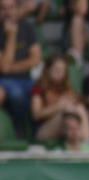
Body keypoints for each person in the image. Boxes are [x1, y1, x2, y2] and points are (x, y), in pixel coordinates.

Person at [0, 0, 41, 134]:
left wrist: (10, 68)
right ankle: (19, 125)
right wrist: (11, 36)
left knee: (42, 91)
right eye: (3, 8)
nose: (7, 12)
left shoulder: (28, 27)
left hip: (27, 79)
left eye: (11, 8)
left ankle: (37, 129)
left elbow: (35, 59)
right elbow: (3, 68)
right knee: (16, 94)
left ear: (17, 9)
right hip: (4, 81)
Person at [31, 55, 87, 143]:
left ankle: (87, 143)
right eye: (56, 69)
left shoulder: (67, 88)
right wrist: (58, 106)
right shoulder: (39, 88)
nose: (59, 73)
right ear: (48, 70)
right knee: (66, 112)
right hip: (44, 130)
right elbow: (36, 115)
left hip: (65, 128)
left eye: (62, 70)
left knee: (80, 108)